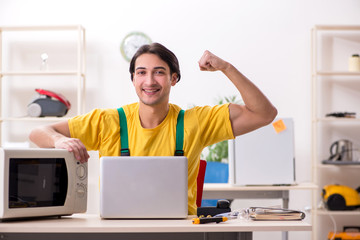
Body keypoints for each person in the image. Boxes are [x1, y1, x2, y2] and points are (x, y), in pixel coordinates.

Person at [29, 43, 277, 215]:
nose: (149, 81)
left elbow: (265, 114)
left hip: (180, 232)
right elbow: (38, 133)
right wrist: (59, 141)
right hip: (118, 231)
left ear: (173, 78)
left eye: (159, 72)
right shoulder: (108, 121)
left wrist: (226, 67)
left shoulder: (197, 121)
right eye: (142, 73)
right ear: (133, 79)